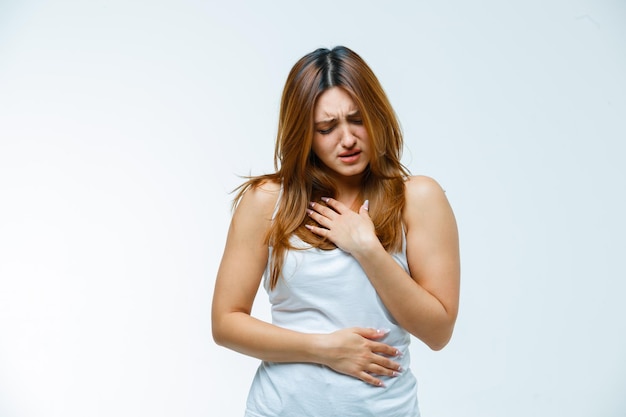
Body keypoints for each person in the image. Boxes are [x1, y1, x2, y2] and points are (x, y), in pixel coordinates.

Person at [211, 45, 460, 417]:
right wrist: (324, 349)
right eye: (326, 128)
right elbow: (225, 323)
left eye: (357, 120)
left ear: (376, 116)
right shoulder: (267, 201)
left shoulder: (418, 197)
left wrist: (368, 249)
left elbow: (438, 332)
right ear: (304, 134)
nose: (347, 139)